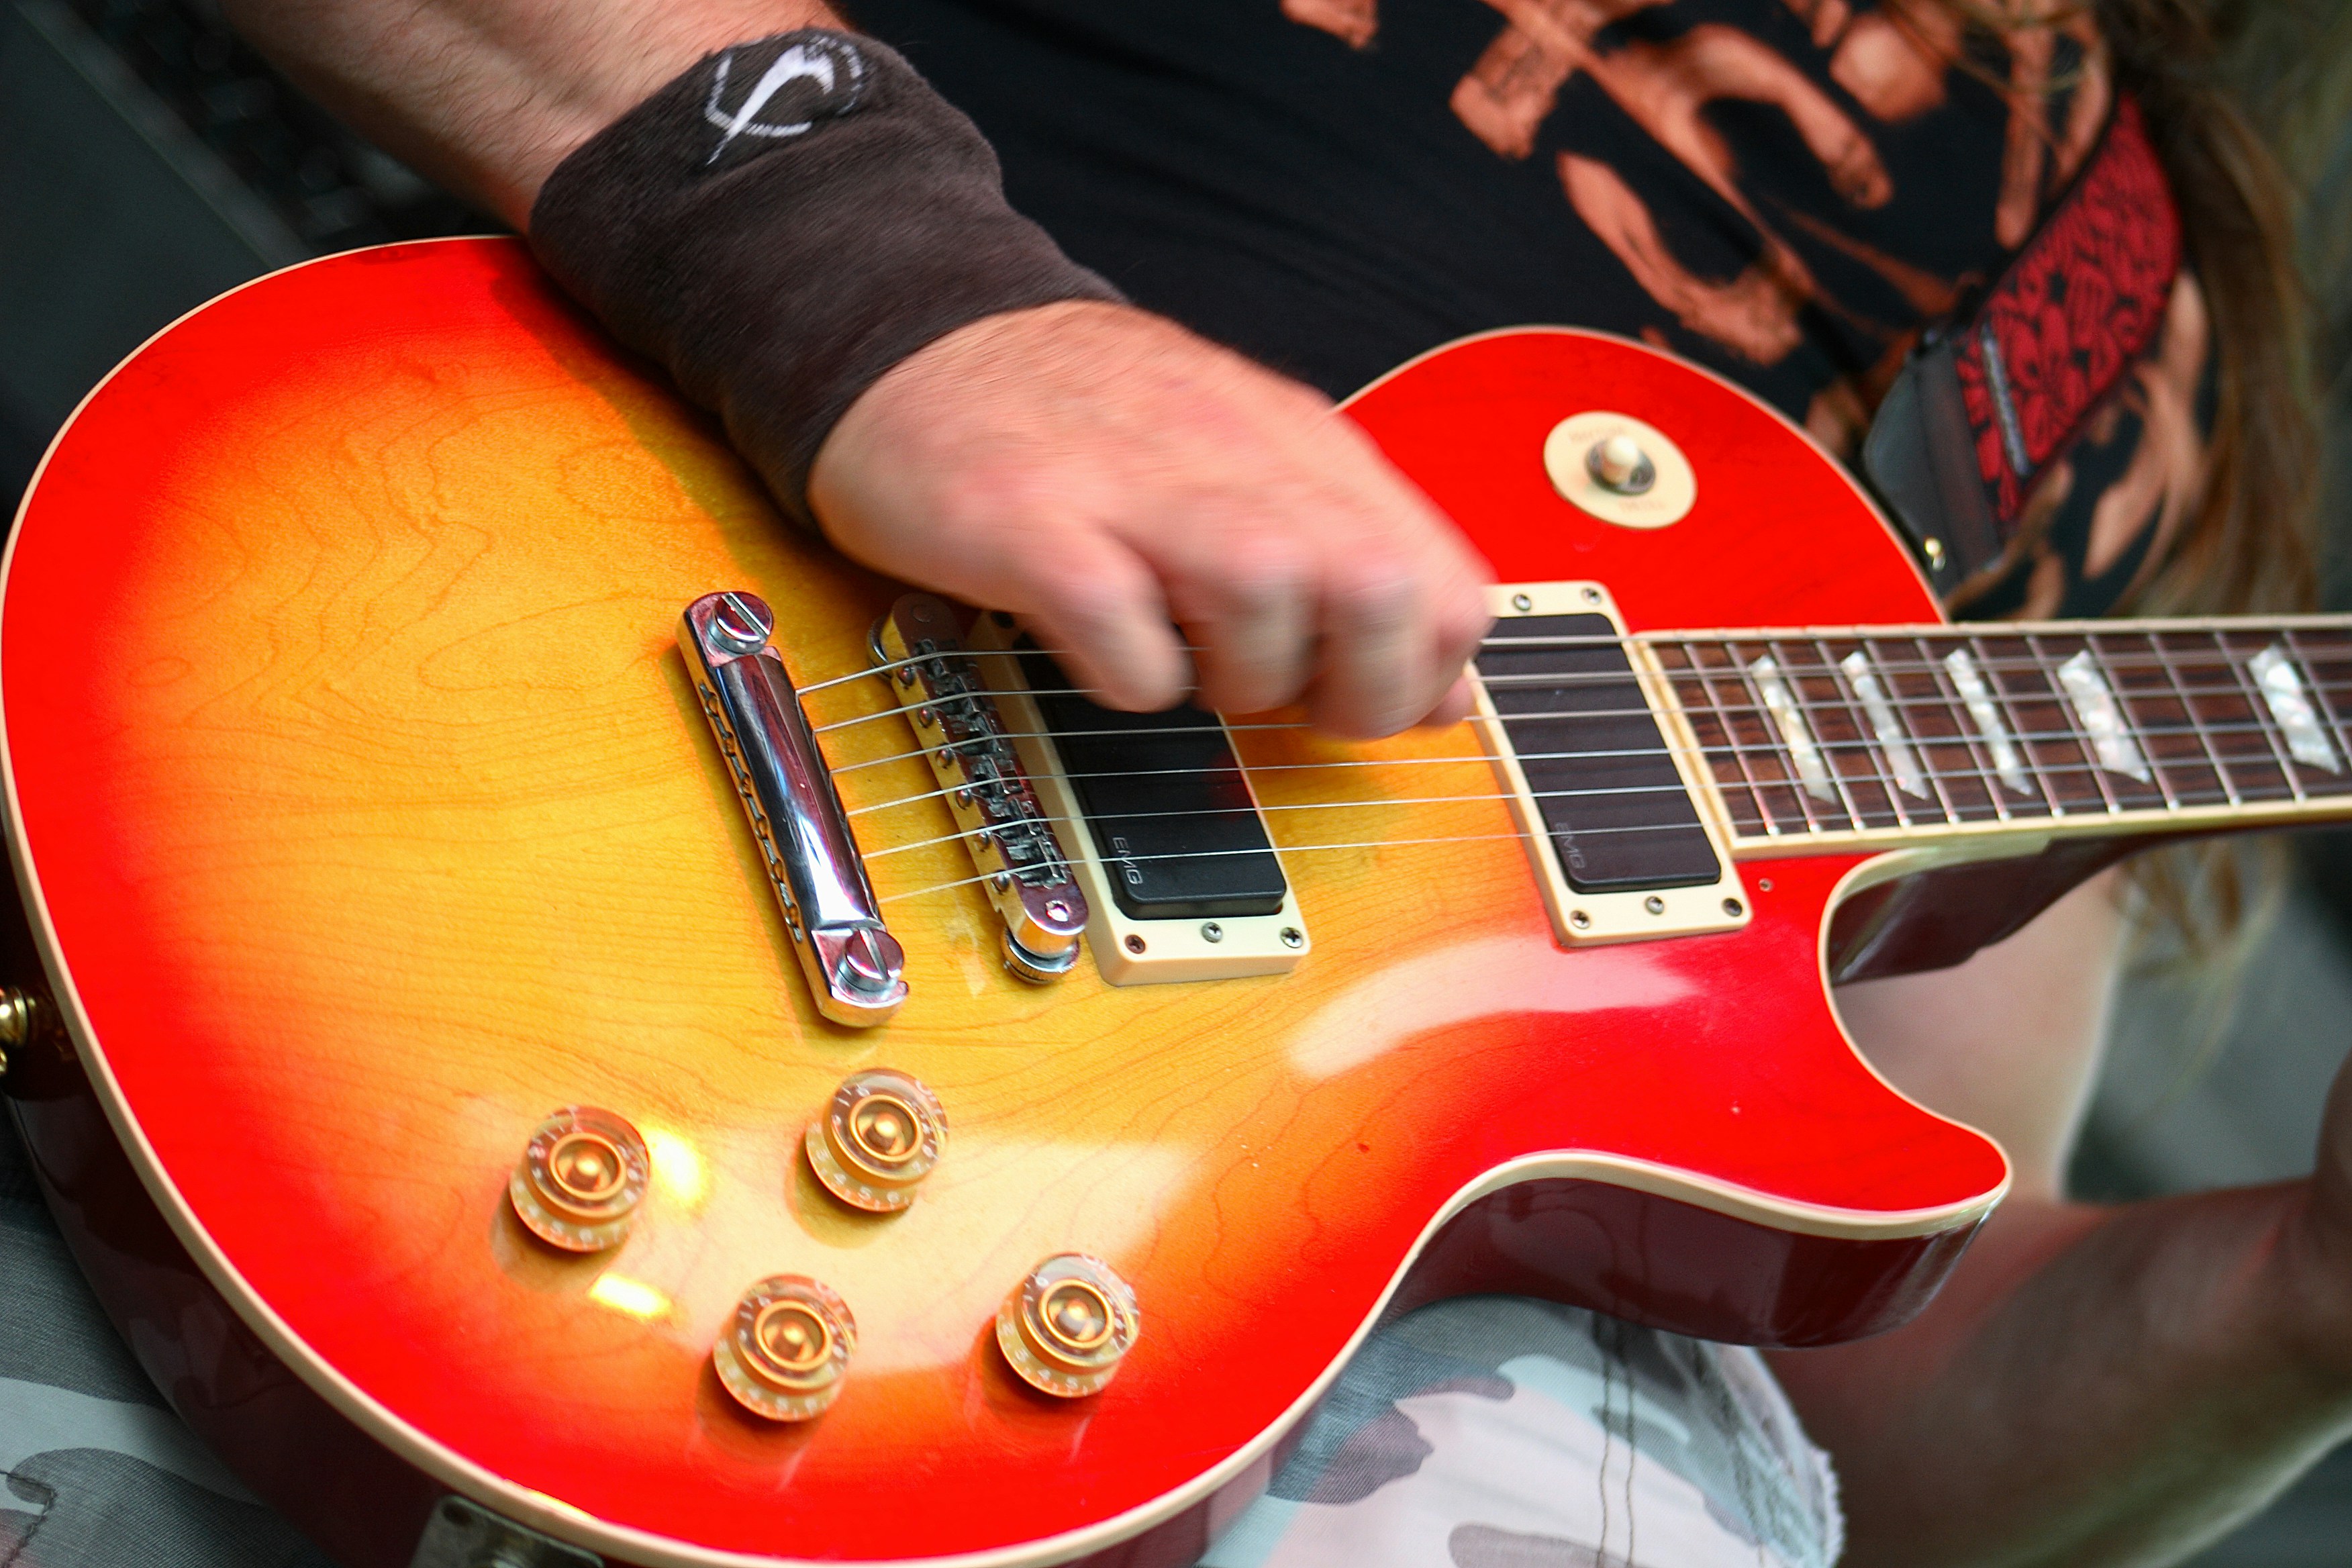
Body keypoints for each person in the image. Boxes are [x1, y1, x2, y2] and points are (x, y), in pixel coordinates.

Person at [11, 2, 2351, 1564]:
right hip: (506, 747)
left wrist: (2299, 1300)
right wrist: (894, 294)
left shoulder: (2144, 342)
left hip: (1162, 1341)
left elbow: (1849, 1325)